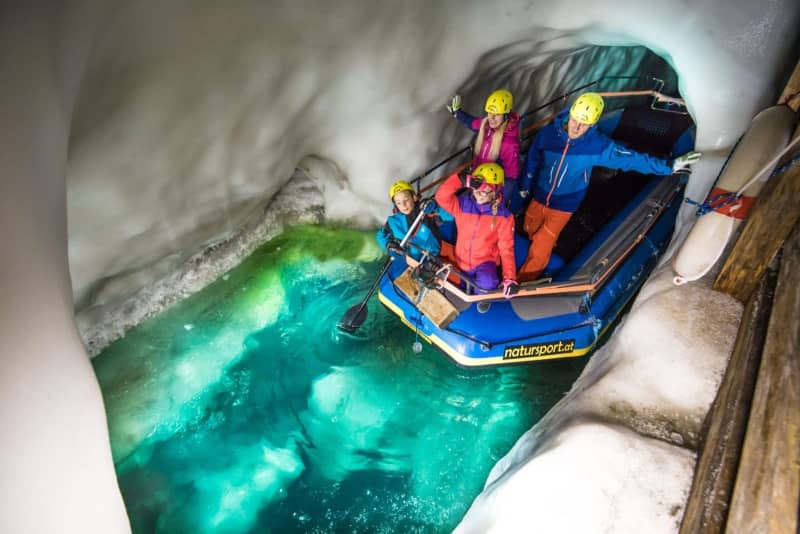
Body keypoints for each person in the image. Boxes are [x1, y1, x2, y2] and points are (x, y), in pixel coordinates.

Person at [517, 92, 702, 282]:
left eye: (584, 123)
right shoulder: (548, 135)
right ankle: (535, 245)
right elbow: (532, 158)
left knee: (542, 244)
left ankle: (523, 281)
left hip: (564, 204)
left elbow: (631, 158)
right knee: (529, 225)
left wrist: (669, 166)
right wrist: (525, 185)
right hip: (540, 195)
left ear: (592, 124)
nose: (576, 127)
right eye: (575, 119)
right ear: (570, 115)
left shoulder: (597, 146)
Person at [434, 163, 519, 298]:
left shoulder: (504, 216)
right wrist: (460, 180)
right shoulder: (463, 204)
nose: (479, 195)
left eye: (485, 191)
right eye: (476, 189)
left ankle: (480, 300)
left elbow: (506, 248)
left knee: (487, 282)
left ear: (496, 190)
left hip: (485, 262)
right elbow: (441, 197)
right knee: (462, 285)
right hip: (461, 260)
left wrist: (509, 277)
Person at [447, 89, 521, 207]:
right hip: (477, 180)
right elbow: (471, 123)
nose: (492, 117)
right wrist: (457, 112)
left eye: (497, 114)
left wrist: (499, 201)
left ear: (506, 115)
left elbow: (511, 177)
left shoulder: (509, 144)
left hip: (488, 191)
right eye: (489, 113)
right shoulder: (486, 125)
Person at [376, 180, 453, 261]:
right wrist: (389, 245)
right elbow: (380, 235)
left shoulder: (426, 211)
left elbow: (451, 216)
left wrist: (436, 207)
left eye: (406, 200)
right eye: (398, 203)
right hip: (410, 261)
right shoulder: (393, 222)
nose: (403, 205)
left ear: (414, 197)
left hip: (432, 256)